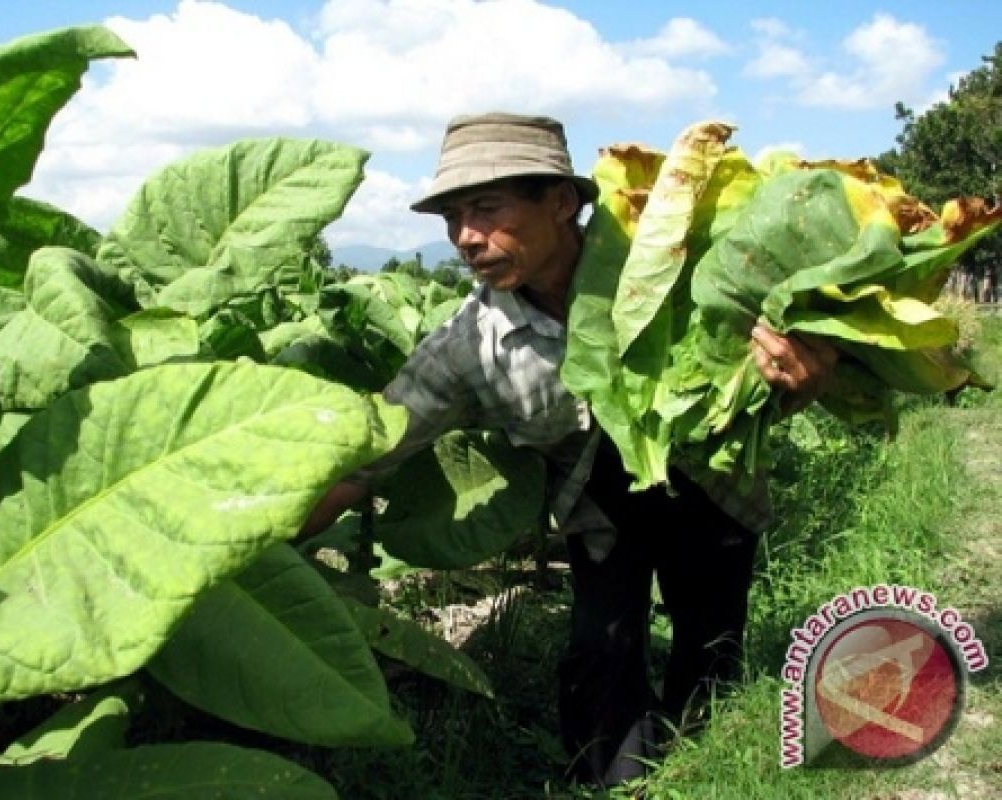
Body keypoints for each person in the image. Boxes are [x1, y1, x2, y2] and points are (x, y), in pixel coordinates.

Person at [300, 112, 836, 787]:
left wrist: (799, 380)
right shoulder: (472, 347)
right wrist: (257, 539)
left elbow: (764, 382)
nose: (465, 236)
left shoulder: (676, 270)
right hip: (601, 511)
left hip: (711, 489)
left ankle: (716, 769)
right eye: (451, 217)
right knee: (600, 652)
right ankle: (619, 781)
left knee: (710, 641)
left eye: (486, 207)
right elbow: (366, 455)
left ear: (559, 203)